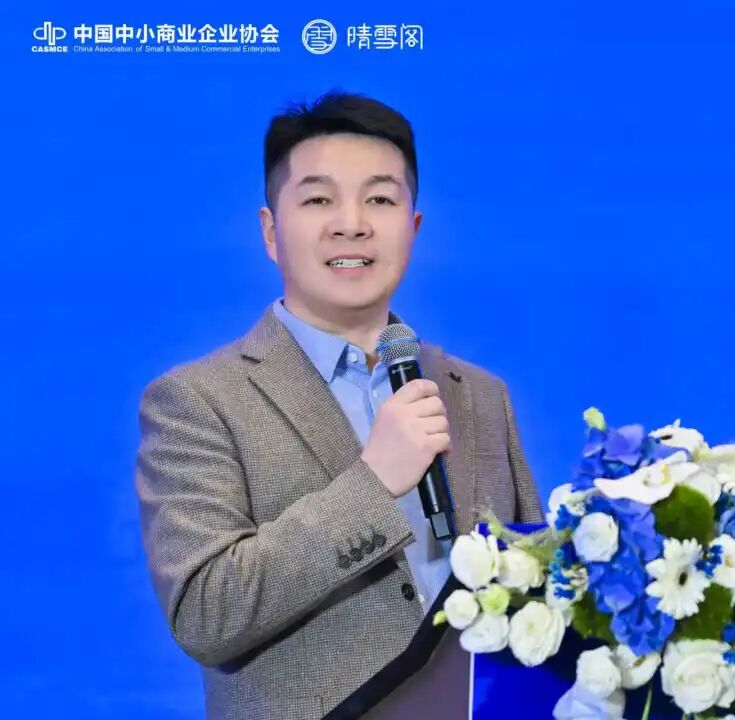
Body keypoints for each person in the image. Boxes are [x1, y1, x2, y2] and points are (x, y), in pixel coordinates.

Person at [134, 90, 543, 719]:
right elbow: (206, 612)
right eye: (319, 199)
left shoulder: (479, 394)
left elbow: (532, 586)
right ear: (271, 232)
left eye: (379, 199)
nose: (351, 223)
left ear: (413, 229)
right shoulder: (198, 400)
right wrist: (373, 482)